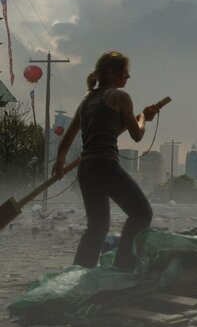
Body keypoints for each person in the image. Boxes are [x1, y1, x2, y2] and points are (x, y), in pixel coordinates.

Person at [53, 51, 158, 270]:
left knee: (97, 227)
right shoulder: (119, 97)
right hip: (105, 166)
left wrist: (59, 163)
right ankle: (123, 266)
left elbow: (66, 141)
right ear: (114, 73)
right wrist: (144, 118)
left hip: (86, 168)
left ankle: (79, 272)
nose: (128, 77)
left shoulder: (87, 100)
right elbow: (136, 134)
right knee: (142, 213)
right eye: (125, 72)